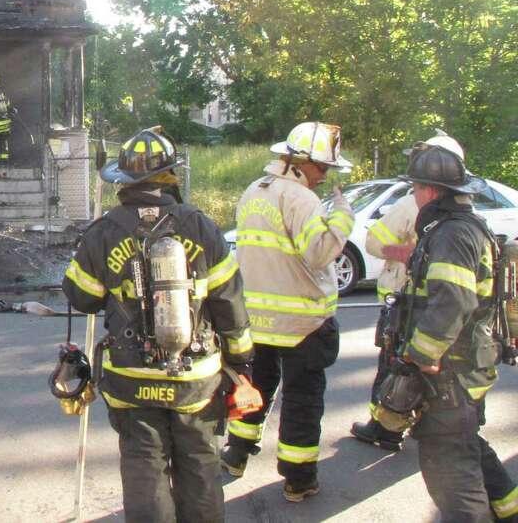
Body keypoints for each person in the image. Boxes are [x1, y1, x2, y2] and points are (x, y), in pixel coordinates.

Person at [62, 126, 254, 523]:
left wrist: (93, 250)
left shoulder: (105, 231)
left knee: (143, 471)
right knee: (200, 467)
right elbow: (229, 300)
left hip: (132, 380)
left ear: (124, 179)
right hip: (196, 380)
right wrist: (242, 361)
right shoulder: (200, 226)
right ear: (171, 175)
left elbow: (81, 297)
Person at [220, 122, 354, 502]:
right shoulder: (301, 199)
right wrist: (342, 217)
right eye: (323, 167)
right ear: (300, 161)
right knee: (302, 401)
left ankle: (236, 454)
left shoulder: (253, 192)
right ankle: (298, 479)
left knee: (254, 390)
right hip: (302, 324)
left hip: (257, 321)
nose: (325, 175)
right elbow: (320, 253)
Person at [385, 141, 517, 521]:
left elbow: (452, 303)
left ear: (428, 190)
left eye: (414, 189)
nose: (414, 196)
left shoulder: (452, 235)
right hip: (463, 371)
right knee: (466, 444)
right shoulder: (460, 227)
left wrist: (419, 358)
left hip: (449, 377)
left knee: (452, 477)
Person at [350, 130, 461, 452]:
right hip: (405, 299)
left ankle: (387, 428)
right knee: (402, 362)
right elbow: (373, 241)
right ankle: (387, 426)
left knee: (398, 365)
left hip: (418, 303)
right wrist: (401, 253)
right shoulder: (411, 205)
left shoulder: (439, 210)